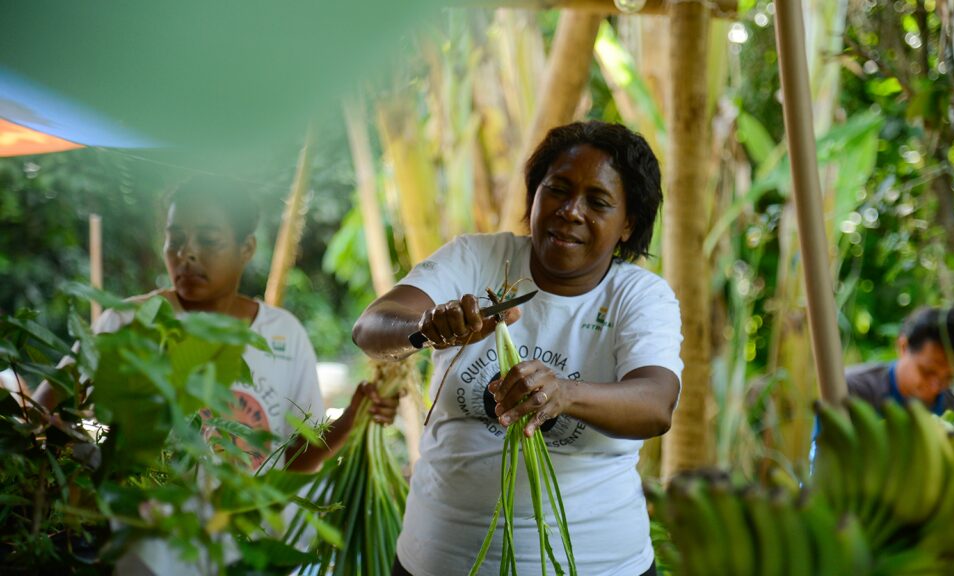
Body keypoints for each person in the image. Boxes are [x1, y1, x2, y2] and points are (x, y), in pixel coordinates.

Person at [353, 121, 684, 576]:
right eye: (557, 190)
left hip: (597, 565)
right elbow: (371, 328)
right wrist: (426, 328)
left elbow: (656, 403)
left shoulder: (640, 296)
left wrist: (564, 394)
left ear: (628, 224)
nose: (570, 211)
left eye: (598, 201)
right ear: (534, 195)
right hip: (438, 559)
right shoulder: (474, 259)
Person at [31, 175, 400, 574]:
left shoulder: (282, 334)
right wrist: (76, 483)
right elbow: (43, 410)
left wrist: (350, 419)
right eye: (175, 239)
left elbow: (296, 455)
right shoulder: (128, 321)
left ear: (246, 248)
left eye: (208, 240)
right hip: (151, 557)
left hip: (253, 555)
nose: (186, 254)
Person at [846, 306, 954, 415]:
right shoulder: (849, 391)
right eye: (927, 372)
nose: (935, 389)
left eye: (947, 378)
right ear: (903, 347)